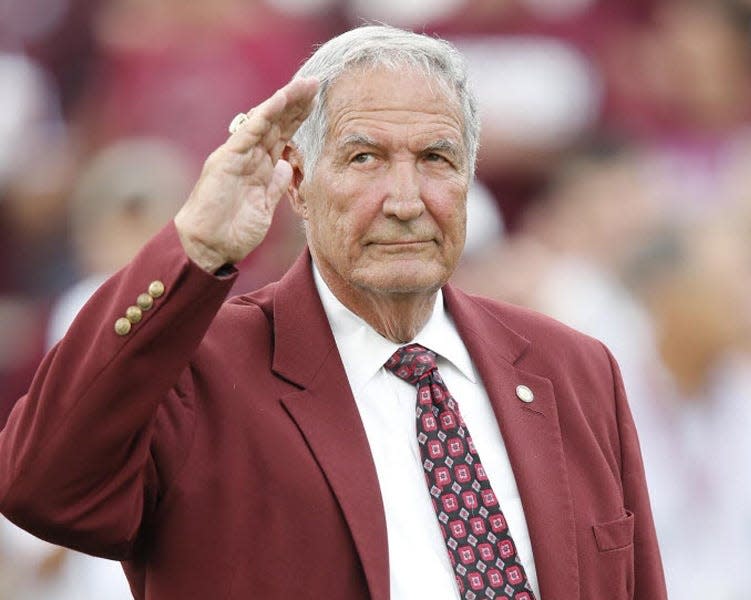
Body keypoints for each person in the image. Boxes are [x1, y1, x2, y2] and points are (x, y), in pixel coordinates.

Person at [0, 25, 666, 599]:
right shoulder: (198, 373)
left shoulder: (573, 369)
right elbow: (44, 488)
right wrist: (193, 249)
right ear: (297, 181)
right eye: (364, 158)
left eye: (436, 159)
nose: (405, 199)